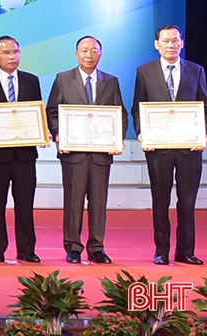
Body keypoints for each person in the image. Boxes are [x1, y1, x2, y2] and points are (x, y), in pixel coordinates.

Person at [131, 25, 207, 265]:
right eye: (165, 41)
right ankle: (161, 251)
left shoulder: (196, 70)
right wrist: (142, 133)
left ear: (182, 43)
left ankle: (185, 251)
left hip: (189, 148)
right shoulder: (144, 71)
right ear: (156, 44)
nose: (170, 45)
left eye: (175, 40)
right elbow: (138, 107)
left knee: (187, 201)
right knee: (160, 200)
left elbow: (206, 107)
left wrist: (204, 134)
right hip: (159, 148)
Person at [45, 35, 126, 264]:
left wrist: (117, 138)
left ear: (101, 54)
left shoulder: (111, 81)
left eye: (93, 50)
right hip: (73, 154)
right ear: (76, 54)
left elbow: (119, 113)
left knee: (99, 203)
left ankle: (97, 247)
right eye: (84, 50)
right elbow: (53, 111)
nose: (89, 55)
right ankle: (73, 247)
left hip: (101, 153)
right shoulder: (63, 79)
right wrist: (59, 134)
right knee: (73, 202)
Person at [0, 35, 45, 264]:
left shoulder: (31, 81)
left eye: (16, 52)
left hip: (25, 155)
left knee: (25, 204)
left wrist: (42, 132)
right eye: (6, 52)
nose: (12, 56)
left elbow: (36, 112)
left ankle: (27, 249)